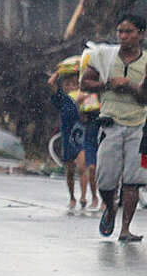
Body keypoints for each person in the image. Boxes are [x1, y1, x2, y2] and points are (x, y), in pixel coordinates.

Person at [80, 14, 147, 240]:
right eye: (120, 32)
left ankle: (125, 229)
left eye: (129, 32)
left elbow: (145, 98)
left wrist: (130, 85)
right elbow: (85, 82)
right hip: (110, 124)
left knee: (133, 182)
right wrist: (106, 84)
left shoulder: (146, 61)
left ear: (141, 34)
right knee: (106, 181)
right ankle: (110, 208)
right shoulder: (104, 56)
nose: (123, 36)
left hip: (139, 128)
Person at [49, 61, 96, 210]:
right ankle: (72, 197)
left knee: (83, 167)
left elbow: (86, 118)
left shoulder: (85, 97)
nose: (71, 87)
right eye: (67, 84)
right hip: (67, 137)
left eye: (74, 84)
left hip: (81, 136)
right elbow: (51, 83)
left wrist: (81, 105)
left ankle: (83, 196)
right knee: (69, 170)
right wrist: (59, 72)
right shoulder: (62, 99)